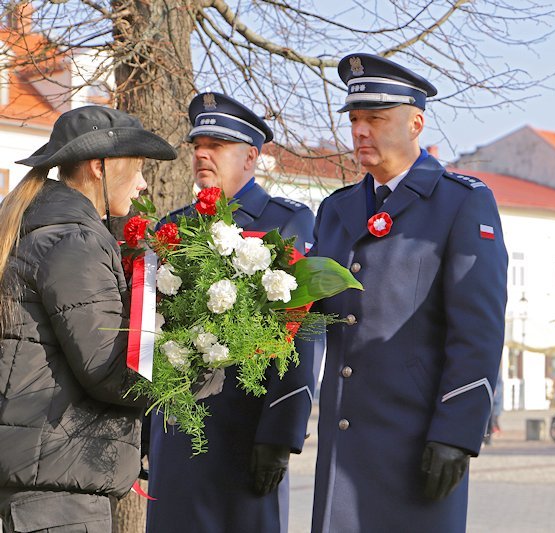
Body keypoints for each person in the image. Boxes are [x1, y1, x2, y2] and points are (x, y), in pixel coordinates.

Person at [309, 53, 508, 532]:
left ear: (416, 123)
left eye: (375, 119)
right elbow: (312, 321)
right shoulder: (336, 210)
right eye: (355, 119)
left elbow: (478, 330)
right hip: (344, 442)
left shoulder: (460, 202)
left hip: (417, 443)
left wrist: (457, 433)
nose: (359, 131)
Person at [145, 92, 317, 533]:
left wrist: (281, 433)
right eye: (198, 144)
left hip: (247, 429)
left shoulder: (286, 223)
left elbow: (303, 334)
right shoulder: (176, 226)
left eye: (217, 145)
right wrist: (145, 427)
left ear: (251, 158)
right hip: (178, 426)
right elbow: (153, 330)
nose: (202, 153)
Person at [0, 106, 177, 531]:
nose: (142, 183)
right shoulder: (73, 241)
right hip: (57, 496)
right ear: (100, 167)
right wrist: (206, 355)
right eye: (136, 169)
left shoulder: (45, 229)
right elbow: (110, 372)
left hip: (47, 482)